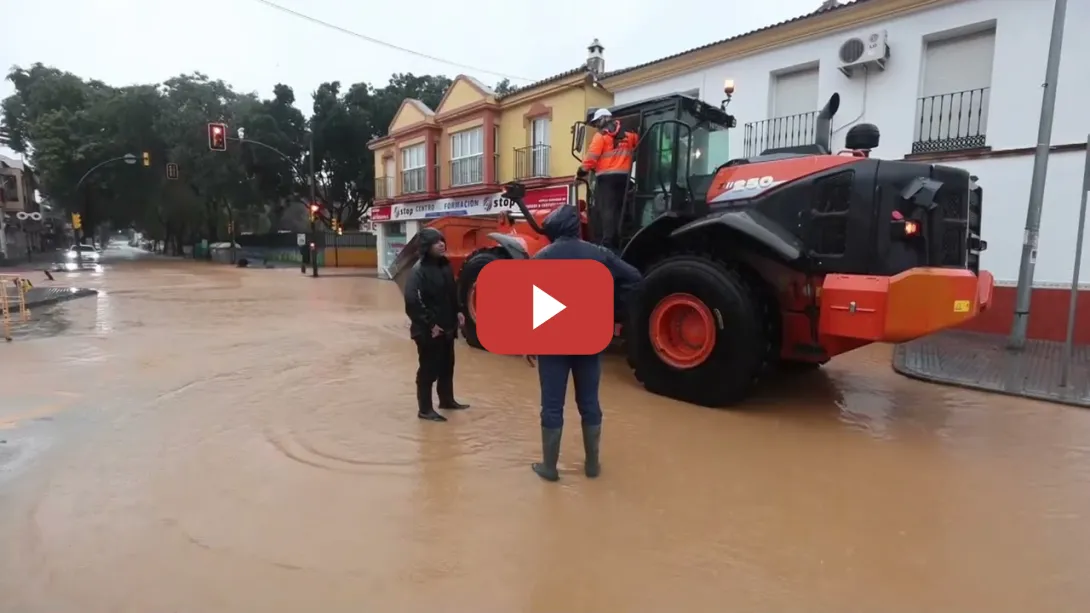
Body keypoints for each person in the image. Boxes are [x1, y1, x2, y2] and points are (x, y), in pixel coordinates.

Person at [525, 205, 642, 481]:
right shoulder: (599, 254)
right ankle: (591, 466)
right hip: (589, 338)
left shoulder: (541, 258)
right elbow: (635, 278)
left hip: (551, 341)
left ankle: (550, 468)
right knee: (589, 402)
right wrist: (612, 309)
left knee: (552, 405)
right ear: (576, 227)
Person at [403, 228, 470, 422]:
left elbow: (452, 291)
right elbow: (411, 301)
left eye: (442, 241)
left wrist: (458, 311)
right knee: (428, 370)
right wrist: (429, 323)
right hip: (428, 331)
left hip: (447, 327)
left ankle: (446, 400)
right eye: (436, 242)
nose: (441, 244)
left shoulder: (444, 266)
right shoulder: (418, 271)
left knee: (447, 366)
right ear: (426, 246)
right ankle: (424, 409)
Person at [577, 107, 638, 251]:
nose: (597, 125)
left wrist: (581, 173)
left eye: (597, 122)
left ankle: (607, 244)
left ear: (604, 119)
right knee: (622, 209)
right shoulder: (629, 135)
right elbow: (638, 147)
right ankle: (622, 237)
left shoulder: (601, 137)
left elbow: (591, 158)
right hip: (624, 178)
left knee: (606, 211)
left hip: (606, 180)